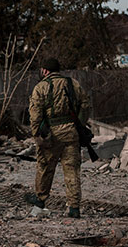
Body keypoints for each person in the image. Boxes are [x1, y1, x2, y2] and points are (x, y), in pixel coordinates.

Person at [26, 58, 91, 218]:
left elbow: (35, 115)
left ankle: (40, 200)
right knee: (72, 171)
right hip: (71, 132)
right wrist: (80, 125)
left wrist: (37, 135)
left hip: (51, 134)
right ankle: (74, 208)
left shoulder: (41, 87)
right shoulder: (73, 84)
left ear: (45, 71)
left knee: (45, 167)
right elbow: (86, 104)